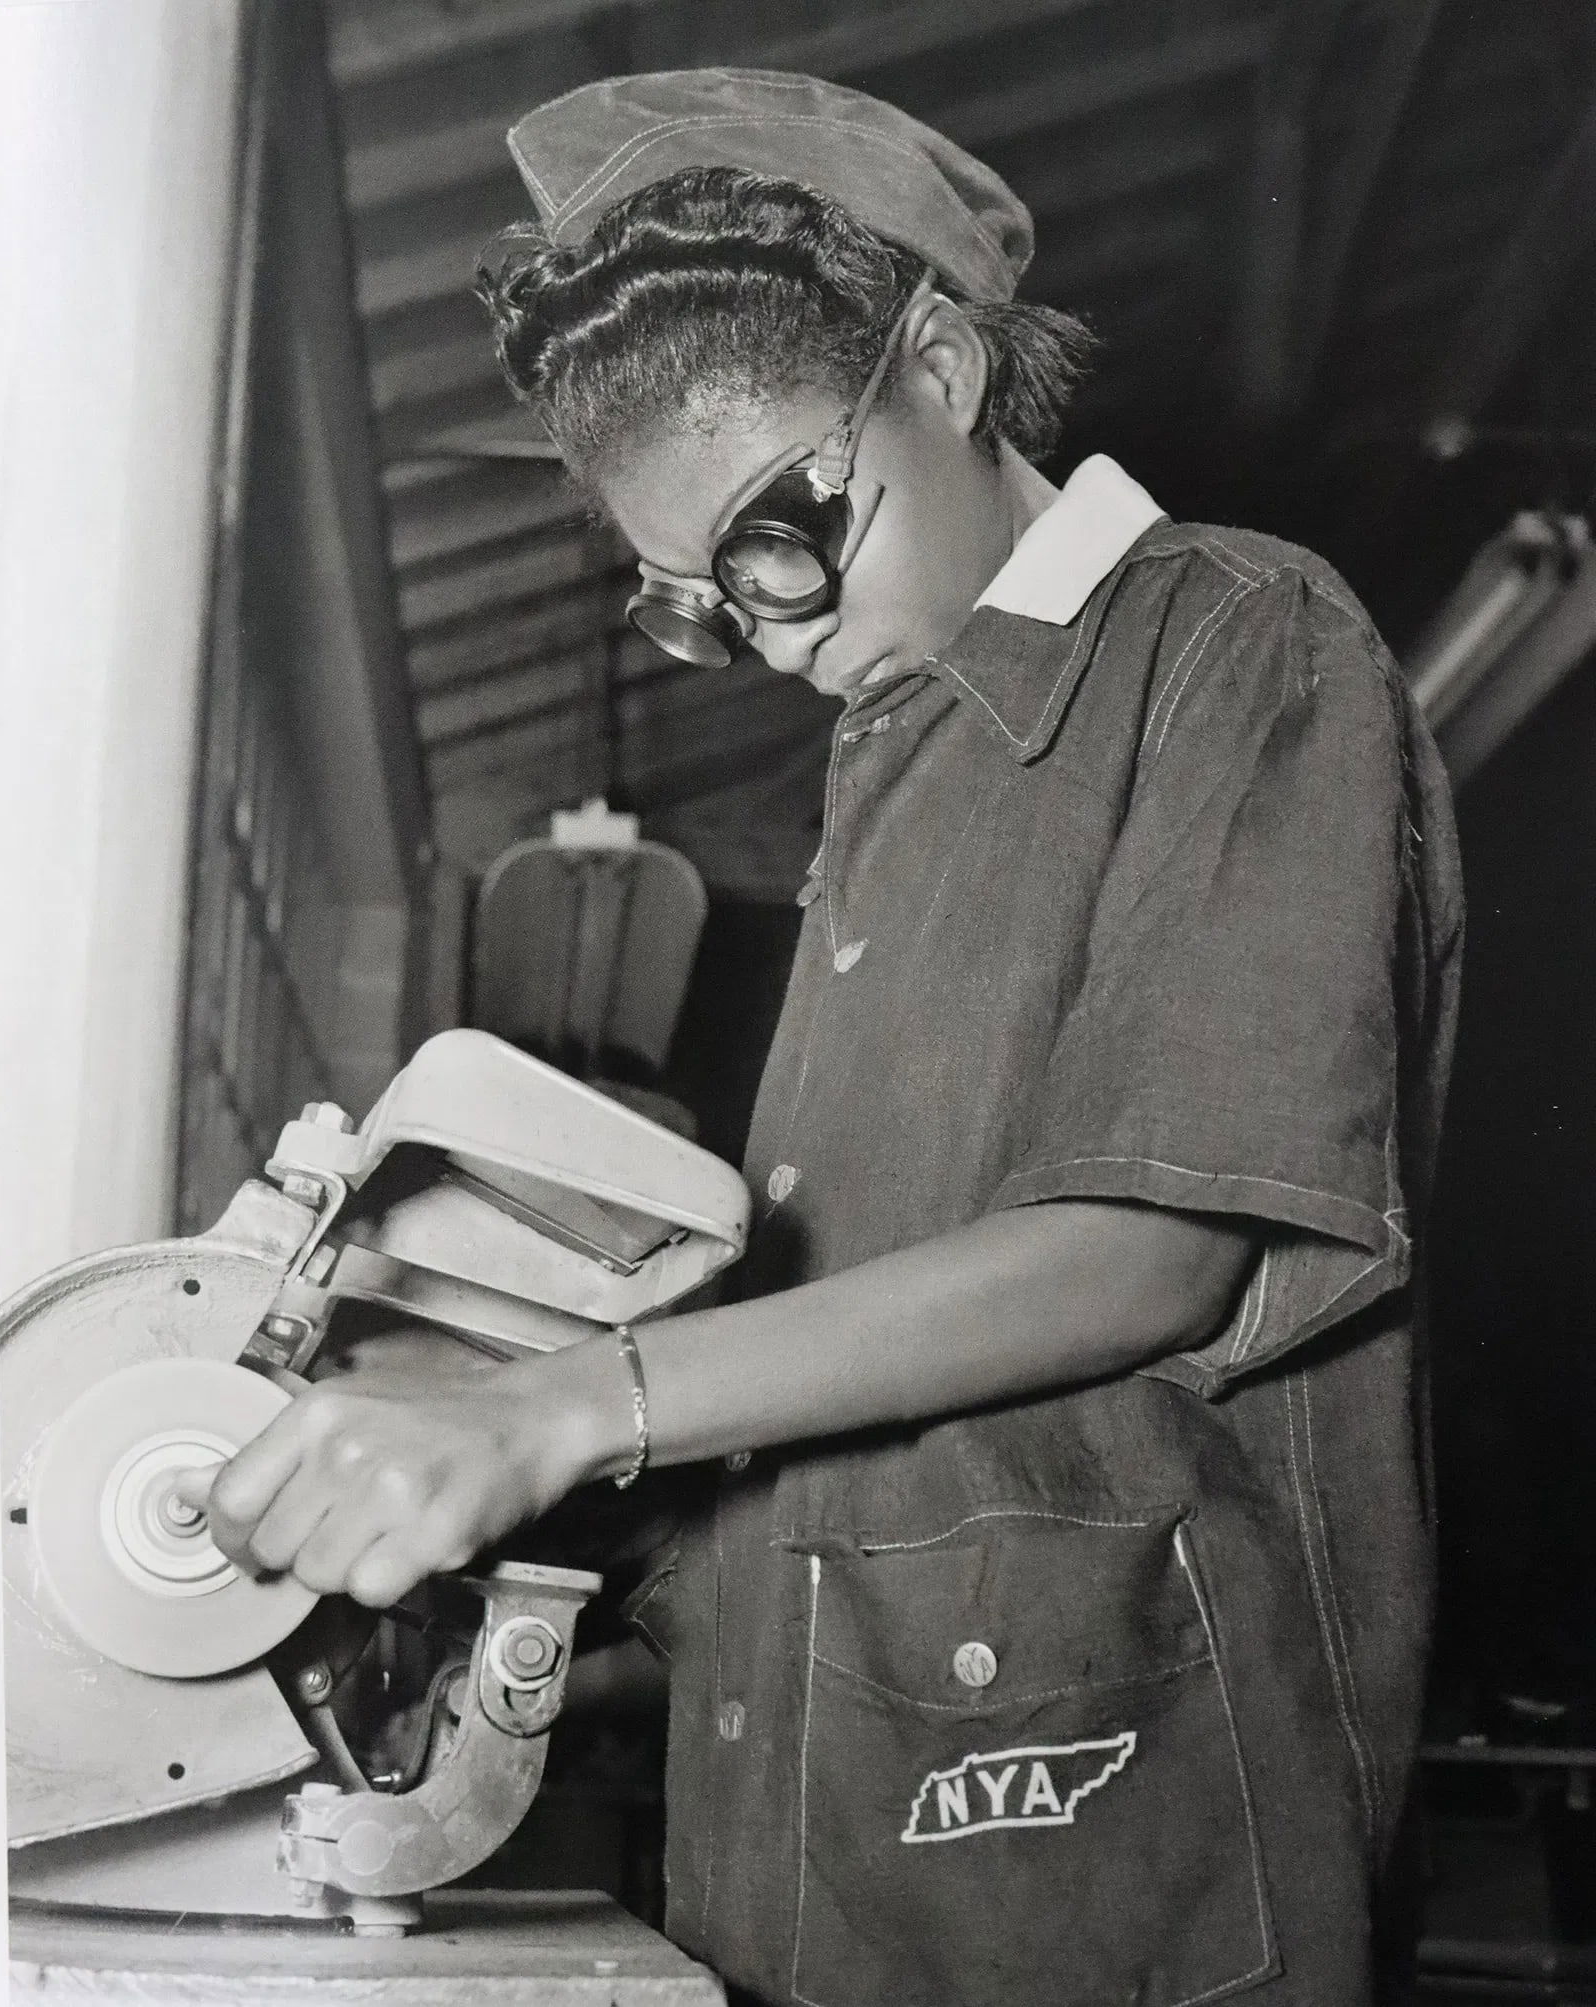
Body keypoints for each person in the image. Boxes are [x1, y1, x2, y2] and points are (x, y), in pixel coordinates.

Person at [183, 70, 1463, 2006]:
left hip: (1103, 1850)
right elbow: (842, 1400)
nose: (766, 635)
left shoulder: (1232, 640)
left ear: (938, 368)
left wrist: (560, 1406)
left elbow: (1142, 1243)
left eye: (782, 542)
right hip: (809, 1834)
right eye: (695, 602)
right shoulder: (898, 760)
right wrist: (513, 1504)